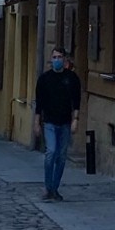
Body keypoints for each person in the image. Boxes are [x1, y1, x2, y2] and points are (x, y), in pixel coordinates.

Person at [33, 48, 83, 201]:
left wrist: (76, 120)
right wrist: (36, 123)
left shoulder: (72, 78)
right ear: (51, 59)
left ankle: (54, 188)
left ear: (64, 59)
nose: (57, 60)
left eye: (59, 57)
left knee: (61, 156)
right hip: (49, 122)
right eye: (54, 57)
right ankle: (48, 187)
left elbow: (76, 101)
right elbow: (39, 103)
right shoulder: (44, 79)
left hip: (66, 123)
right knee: (51, 153)